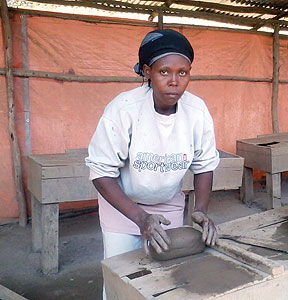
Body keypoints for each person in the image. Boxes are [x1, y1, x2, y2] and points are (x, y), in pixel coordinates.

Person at [85, 29, 220, 267]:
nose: (174, 82)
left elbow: (204, 165)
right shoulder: (124, 109)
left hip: (168, 205)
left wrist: (200, 209)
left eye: (183, 73)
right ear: (147, 72)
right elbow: (101, 172)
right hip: (123, 205)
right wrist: (140, 218)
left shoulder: (197, 111)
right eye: (164, 71)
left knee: (166, 274)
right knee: (123, 274)